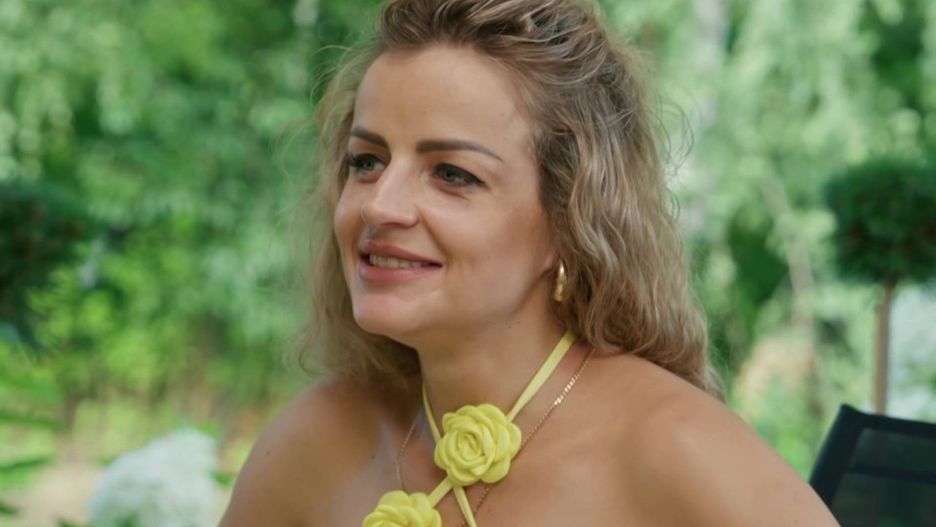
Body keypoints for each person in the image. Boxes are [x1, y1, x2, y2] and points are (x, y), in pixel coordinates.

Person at [220, 0, 840, 525]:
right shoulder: (313, 443)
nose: (380, 204)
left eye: (452, 174)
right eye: (367, 161)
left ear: (569, 219)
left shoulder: (681, 452)